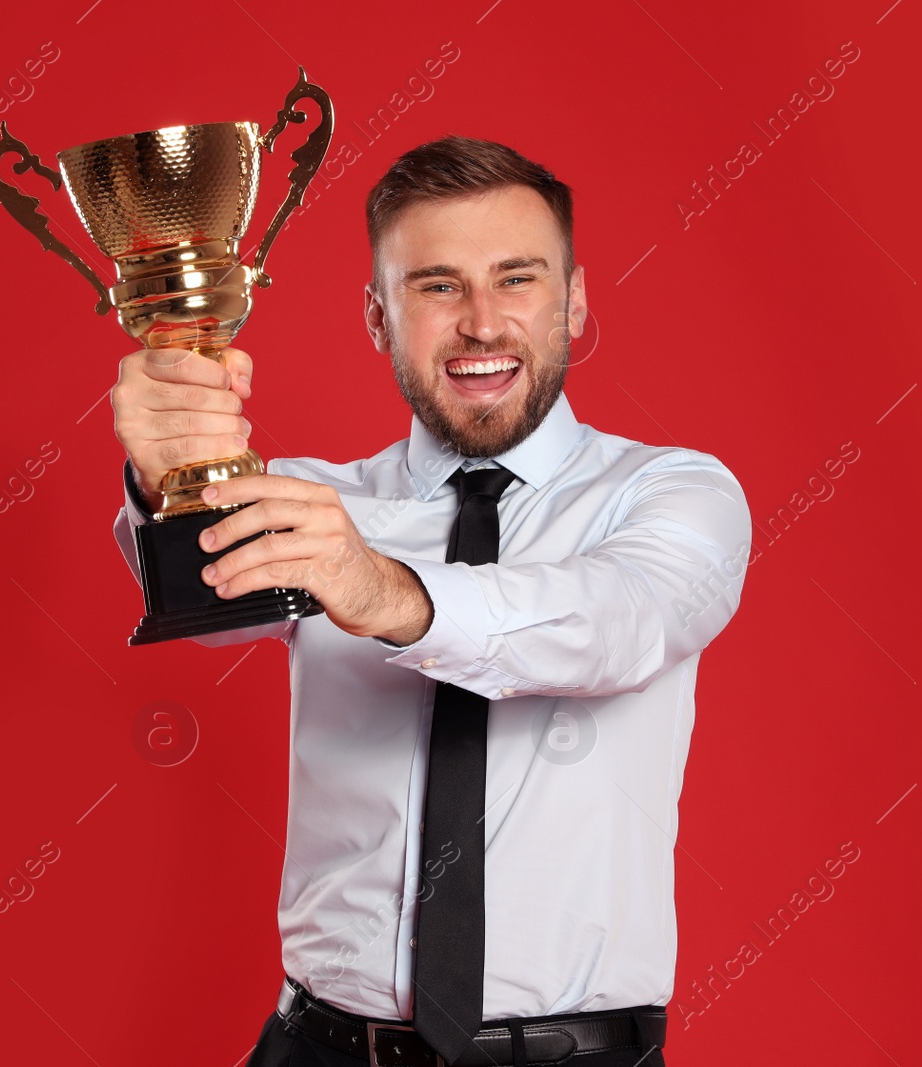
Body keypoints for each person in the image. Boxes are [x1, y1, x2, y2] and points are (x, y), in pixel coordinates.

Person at [110, 135, 751, 1066]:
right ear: (378, 315)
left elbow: (616, 623)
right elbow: (200, 599)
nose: (483, 323)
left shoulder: (672, 495)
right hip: (317, 1047)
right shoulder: (317, 503)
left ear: (572, 301)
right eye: (438, 286)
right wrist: (163, 469)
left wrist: (383, 592)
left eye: (519, 279)